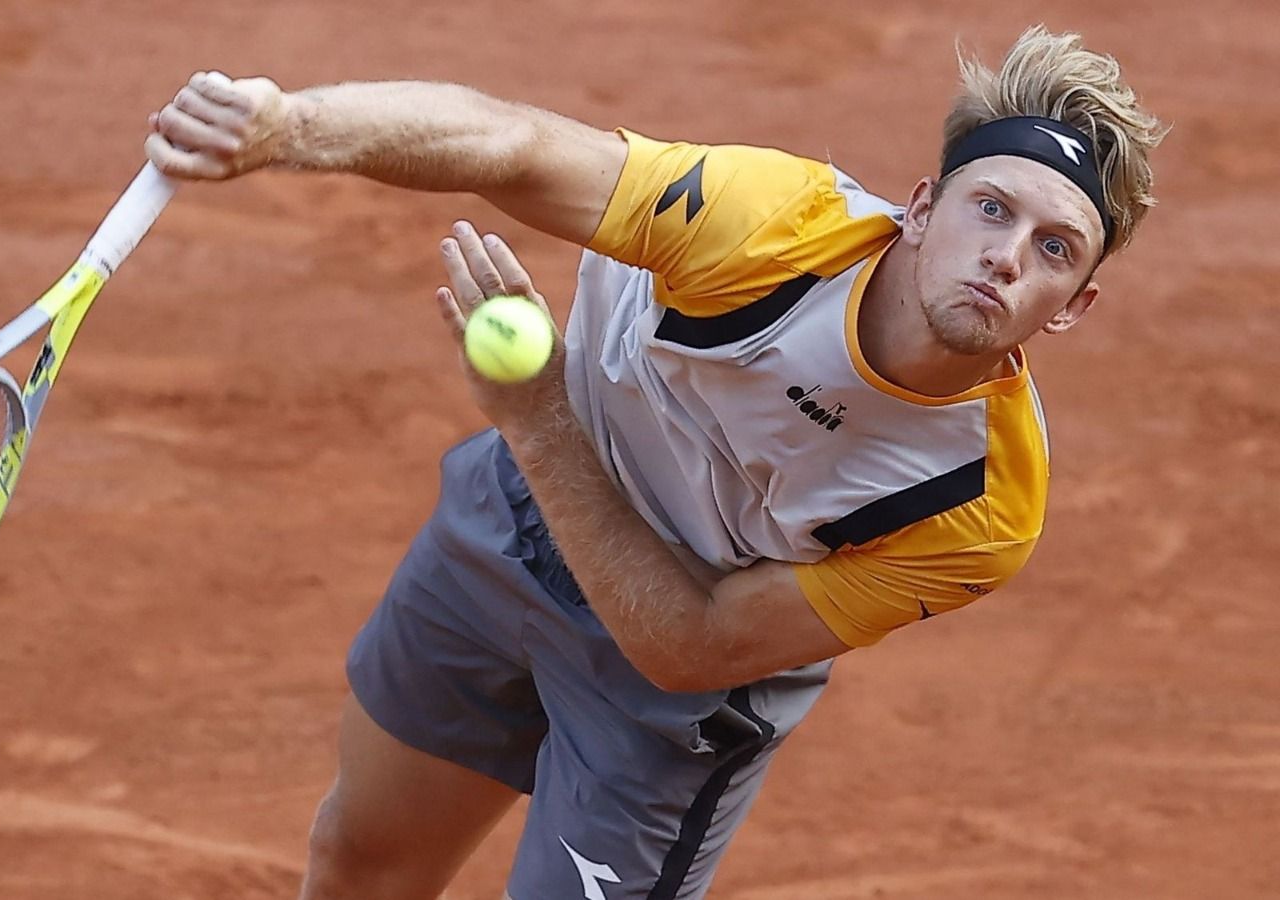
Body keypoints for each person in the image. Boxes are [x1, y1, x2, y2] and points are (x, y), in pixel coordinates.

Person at [145, 25, 1164, 900]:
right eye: (991, 210)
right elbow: (510, 143)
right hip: (512, 529)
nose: (1007, 256)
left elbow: (692, 648)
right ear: (921, 206)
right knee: (359, 865)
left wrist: (535, 416)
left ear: (1071, 306)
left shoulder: (981, 508)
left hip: (673, 678)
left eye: (1054, 248)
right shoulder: (767, 224)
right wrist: (287, 129)